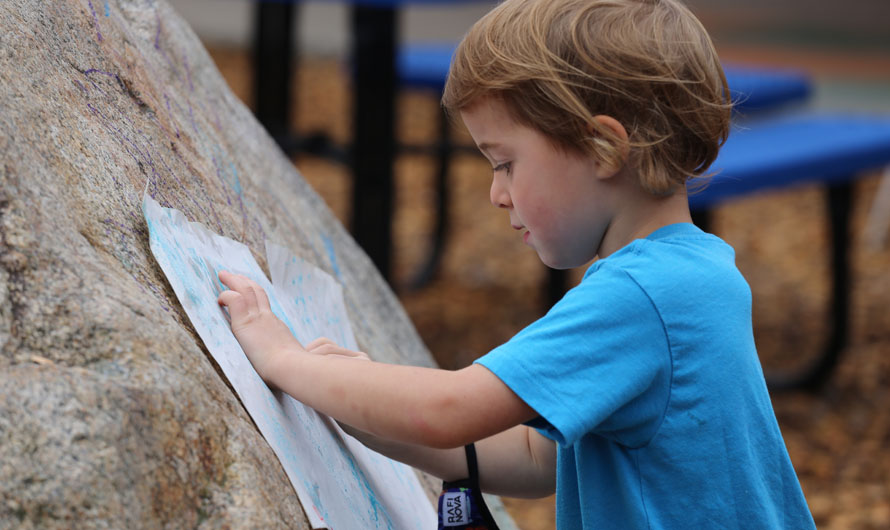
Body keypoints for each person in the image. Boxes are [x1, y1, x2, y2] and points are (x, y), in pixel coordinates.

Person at [217, 0, 816, 527]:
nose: (496, 193)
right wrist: (357, 406)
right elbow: (537, 458)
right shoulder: (694, 271)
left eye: (504, 162)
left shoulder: (644, 296)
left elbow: (447, 411)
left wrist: (284, 359)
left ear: (604, 146)